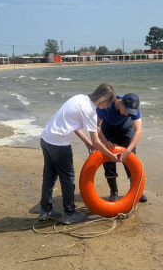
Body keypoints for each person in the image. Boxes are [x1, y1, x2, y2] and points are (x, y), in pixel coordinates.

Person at [39, 83, 119, 225]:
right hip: (59, 144)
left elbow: (73, 124)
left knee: (49, 176)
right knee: (68, 178)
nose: (107, 107)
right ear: (103, 98)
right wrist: (111, 156)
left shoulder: (79, 98)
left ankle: (46, 210)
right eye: (108, 103)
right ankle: (70, 213)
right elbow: (97, 142)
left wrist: (86, 142)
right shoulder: (90, 111)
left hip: (46, 138)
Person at [96, 93, 147, 203]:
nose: (128, 113)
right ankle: (113, 192)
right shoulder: (106, 105)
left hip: (125, 129)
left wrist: (128, 150)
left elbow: (138, 131)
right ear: (121, 103)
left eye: (131, 112)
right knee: (108, 160)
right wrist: (104, 141)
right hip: (108, 130)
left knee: (130, 158)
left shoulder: (133, 108)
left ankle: (136, 190)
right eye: (127, 110)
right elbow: (95, 125)